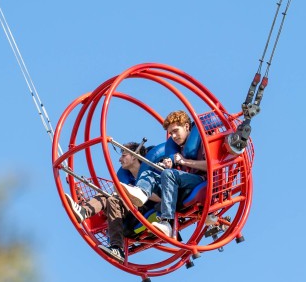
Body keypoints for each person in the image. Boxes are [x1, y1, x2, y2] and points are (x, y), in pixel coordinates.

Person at [63, 141, 158, 263]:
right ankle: (83, 212)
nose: (120, 159)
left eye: (124, 155)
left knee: (113, 200)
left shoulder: (149, 174)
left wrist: (137, 193)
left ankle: (117, 248)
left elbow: (160, 197)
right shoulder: (126, 177)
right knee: (105, 195)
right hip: (128, 212)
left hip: (145, 210)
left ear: (134, 156)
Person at [124, 110, 206, 238]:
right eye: (171, 133)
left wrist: (185, 162)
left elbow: (210, 166)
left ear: (186, 126)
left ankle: (167, 222)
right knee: (149, 174)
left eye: (175, 131)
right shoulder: (178, 147)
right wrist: (171, 164)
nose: (173, 136)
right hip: (182, 183)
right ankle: (141, 192)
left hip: (201, 180)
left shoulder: (202, 141)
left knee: (168, 174)